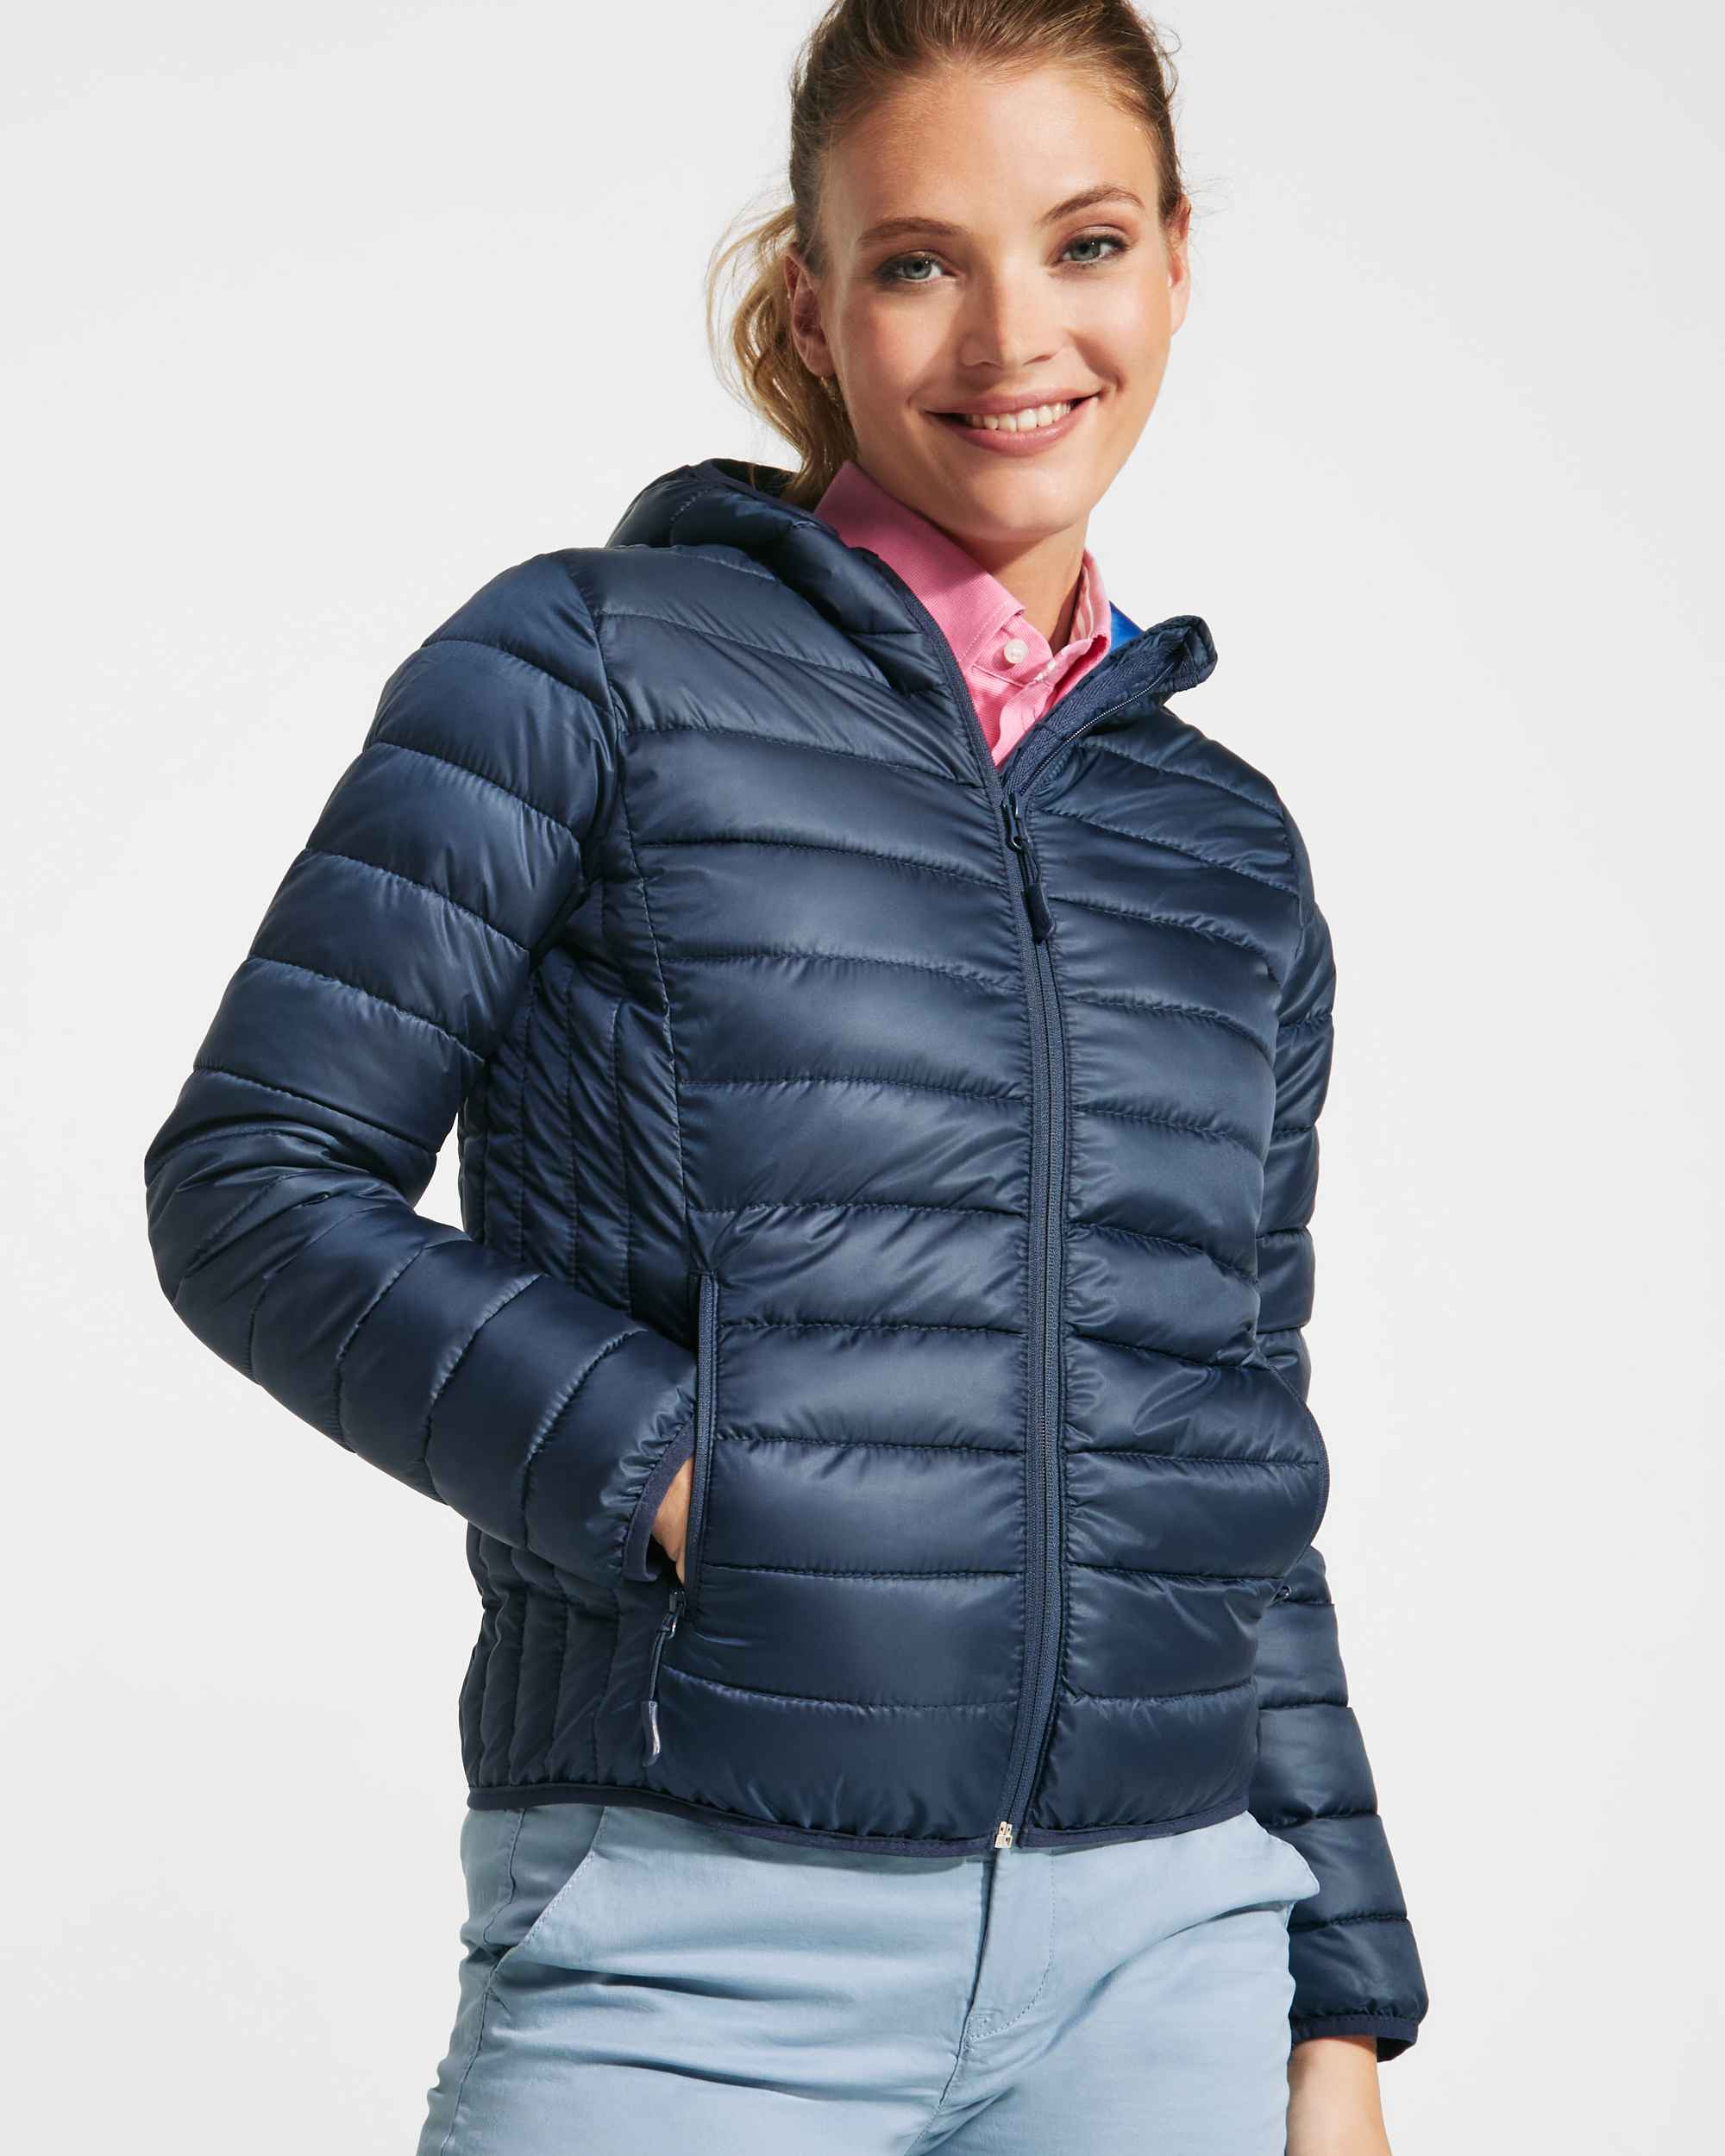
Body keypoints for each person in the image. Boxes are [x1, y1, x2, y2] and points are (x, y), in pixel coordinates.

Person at [141, 3, 1428, 2149]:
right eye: (920, 261)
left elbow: (1229, 1436)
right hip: (697, 1933)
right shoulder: (587, 665)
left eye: (1085, 243)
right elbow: (255, 1180)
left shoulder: (1221, 850)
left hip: (1167, 1959)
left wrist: (1336, 2012)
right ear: (814, 307)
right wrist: (676, 1470)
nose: (1015, 335)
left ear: (1176, 261)